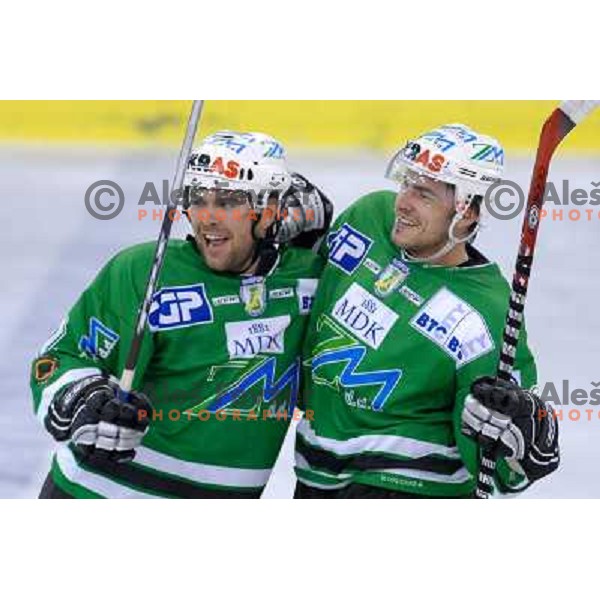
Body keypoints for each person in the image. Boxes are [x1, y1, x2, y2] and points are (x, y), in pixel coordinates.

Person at [31, 130, 332, 498]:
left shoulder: (310, 279)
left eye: (228, 201)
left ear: (268, 210)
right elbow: (59, 357)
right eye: (197, 198)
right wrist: (83, 396)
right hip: (97, 493)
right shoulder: (145, 271)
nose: (207, 218)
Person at [293, 123, 559, 498]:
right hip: (317, 472)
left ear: (465, 213)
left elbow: (503, 467)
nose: (403, 201)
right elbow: (302, 291)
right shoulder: (369, 218)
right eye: (406, 183)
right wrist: (288, 241)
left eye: (424, 193)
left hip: (407, 490)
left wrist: (520, 447)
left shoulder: (483, 312)